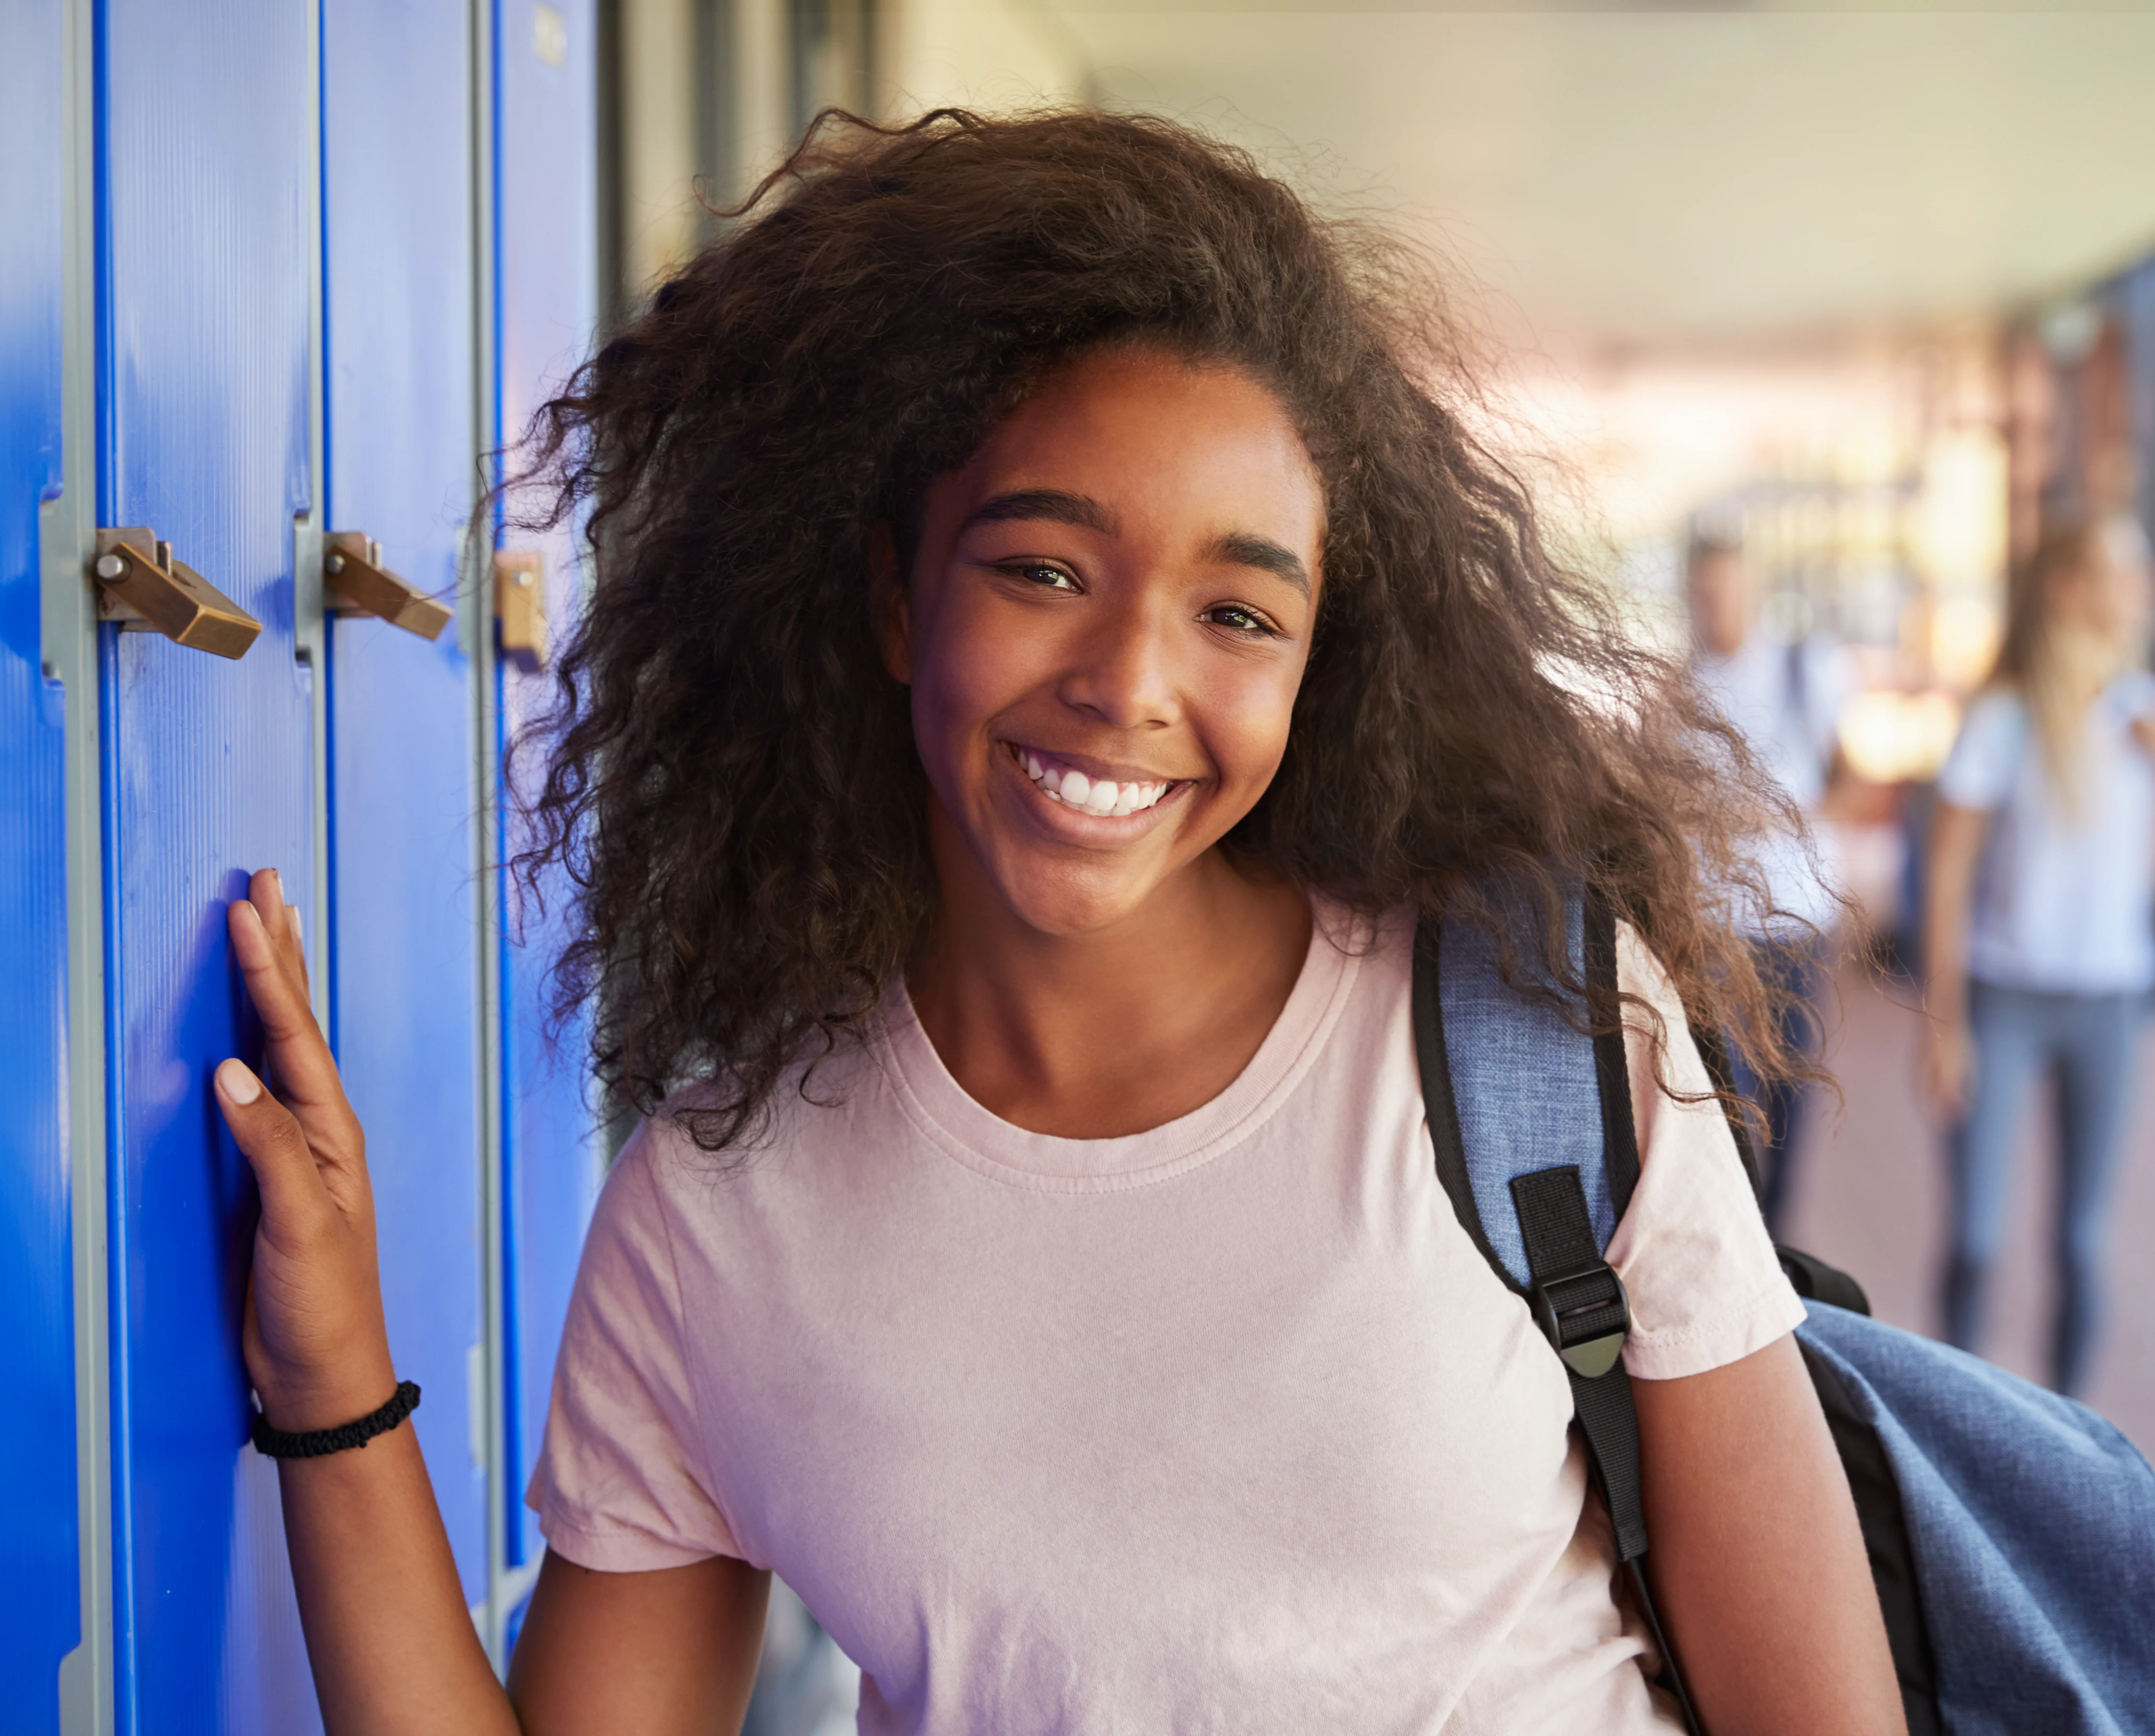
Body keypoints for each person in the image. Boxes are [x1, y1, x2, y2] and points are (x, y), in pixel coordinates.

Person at [208, 112, 1904, 1735]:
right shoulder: (723, 1212)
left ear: (1320, 666)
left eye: (1238, 610)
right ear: (893, 594)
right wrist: (334, 1368)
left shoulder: (1525, 1028)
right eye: (1040, 568)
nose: (1128, 687)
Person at [1919, 515, 2155, 1397]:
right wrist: (1943, 1024)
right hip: (2003, 997)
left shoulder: (2145, 711)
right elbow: (1948, 873)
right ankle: (1955, 1411)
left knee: (2081, 1242)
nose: (2145, 585)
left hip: (2108, 1004)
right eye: (2125, 570)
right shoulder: (2002, 715)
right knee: (1976, 1235)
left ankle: (2065, 1426)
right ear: (2069, 589)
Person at [1685, 527, 1854, 1228]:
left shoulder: (1804, 668)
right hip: (1710, 923)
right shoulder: (1678, 684)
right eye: (1704, 591)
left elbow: (1855, 780)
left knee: (1787, 1090)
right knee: (1723, 1091)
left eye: (1727, 587)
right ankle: (1739, 1229)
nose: (1716, 604)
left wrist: (1784, 814)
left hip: (1790, 921)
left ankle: (1776, 1237)